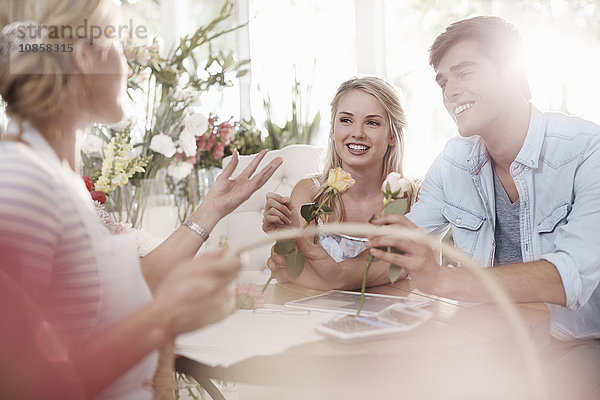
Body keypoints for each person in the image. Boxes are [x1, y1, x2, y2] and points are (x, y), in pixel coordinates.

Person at [0, 1, 282, 398]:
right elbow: (22, 385)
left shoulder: (55, 176)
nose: (129, 66)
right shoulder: (21, 179)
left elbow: (107, 300)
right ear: (84, 56)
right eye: (117, 39)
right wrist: (165, 316)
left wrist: (213, 209)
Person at [365, 16, 600, 399]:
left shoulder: (588, 149)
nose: (450, 91)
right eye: (443, 82)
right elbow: (402, 247)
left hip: (580, 340)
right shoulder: (455, 160)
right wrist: (322, 265)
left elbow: (567, 277)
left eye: (464, 73)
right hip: (490, 336)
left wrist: (441, 280)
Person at [262, 76, 415, 290]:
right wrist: (288, 238)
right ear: (333, 130)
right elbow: (290, 274)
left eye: (372, 123)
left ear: (393, 135)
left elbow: (426, 280)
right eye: (346, 120)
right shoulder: (309, 193)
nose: (357, 133)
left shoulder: (413, 197)